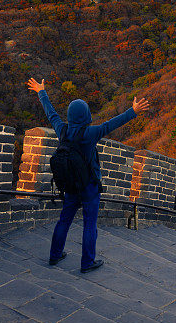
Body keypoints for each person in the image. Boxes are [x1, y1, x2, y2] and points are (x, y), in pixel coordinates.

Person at [27, 77, 150, 273]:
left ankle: (55, 255)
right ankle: (87, 262)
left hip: (70, 185)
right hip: (90, 186)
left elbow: (51, 115)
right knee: (89, 224)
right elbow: (111, 124)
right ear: (86, 115)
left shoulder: (63, 130)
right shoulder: (91, 133)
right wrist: (133, 112)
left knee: (64, 220)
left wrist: (41, 92)